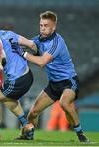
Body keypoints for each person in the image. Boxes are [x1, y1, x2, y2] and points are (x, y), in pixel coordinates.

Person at [14, 11, 90, 143]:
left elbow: (42, 62)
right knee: (33, 113)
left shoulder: (57, 42)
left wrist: (23, 54)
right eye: (41, 25)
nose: (42, 28)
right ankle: (27, 136)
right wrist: (9, 40)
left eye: (46, 25)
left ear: (53, 27)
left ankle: (81, 134)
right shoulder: (38, 39)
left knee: (64, 103)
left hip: (69, 82)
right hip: (54, 84)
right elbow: (26, 42)